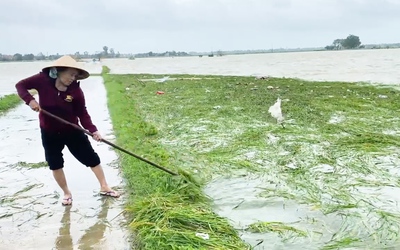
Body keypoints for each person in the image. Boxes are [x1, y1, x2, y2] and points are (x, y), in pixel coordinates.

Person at [15, 55, 120, 206]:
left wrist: (93, 130)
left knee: (91, 158)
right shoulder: (42, 80)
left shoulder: (76, 91)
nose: (73, 78)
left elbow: (82, 113)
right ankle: (66, 193)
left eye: (75, 75)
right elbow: (20, 85)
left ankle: (104, 186)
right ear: (59, 71)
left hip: (72, 130)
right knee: (55, 163)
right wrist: (30, 100)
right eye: (71, 74)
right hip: (49, 131)